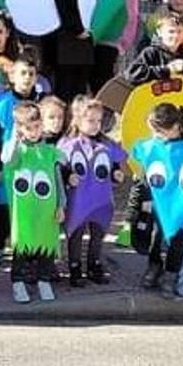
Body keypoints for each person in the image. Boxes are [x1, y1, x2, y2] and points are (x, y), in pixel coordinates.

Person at [128, 102, 183, 289]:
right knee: (157, 237)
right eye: (153, 132)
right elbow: (145, 177)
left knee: (178, 238)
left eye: (158, 132)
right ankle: (154, 265)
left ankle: (172, 272)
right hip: (160, 202)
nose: (155, 137)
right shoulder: (155, 147)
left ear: (175, 127)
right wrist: (139, 202)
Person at [59, 96, 125, 287]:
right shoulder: (68, 144)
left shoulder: (107, 144)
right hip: (78, 200)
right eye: (90, 120)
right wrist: (67, 176)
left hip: (101, 200)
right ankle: (74, 266)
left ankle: (94, 265)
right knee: (76, 234)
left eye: (99, 120)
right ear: (77, 120)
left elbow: (113, 164)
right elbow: (60, 167)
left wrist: (116, 173)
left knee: (98, 234)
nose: (96, 125)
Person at [4, 101, 64, 303]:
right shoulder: (18, 151)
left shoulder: (50, 151)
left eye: (37, 126)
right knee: (22, 246)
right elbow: (8, 160)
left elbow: (57, 181)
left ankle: (44, 280)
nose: (33, 132)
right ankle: (18, 282)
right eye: (28, 128)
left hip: (46, 210)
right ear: (20, 129)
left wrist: (61, 205)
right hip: (24, 211)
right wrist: (15, 137)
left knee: (45, 246)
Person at [89, 0, 161, 92]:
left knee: (105, 69)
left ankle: (104, 105)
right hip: (97, 29)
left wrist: (159, 3)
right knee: (93, 71)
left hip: (117, 30)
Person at [49, 0, 94, 100]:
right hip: (65, 37)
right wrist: (76, 29)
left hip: (84, 37)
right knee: (65, 84)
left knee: (80, 85)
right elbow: (62, 5)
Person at [126, 14, 183, 87]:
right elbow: (132, 75)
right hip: (154, 105)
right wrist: (167, 70)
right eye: (171, 32)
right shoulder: (150, 53)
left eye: (179, 31)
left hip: (181, 104)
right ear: (160, 32)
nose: (176, 36)